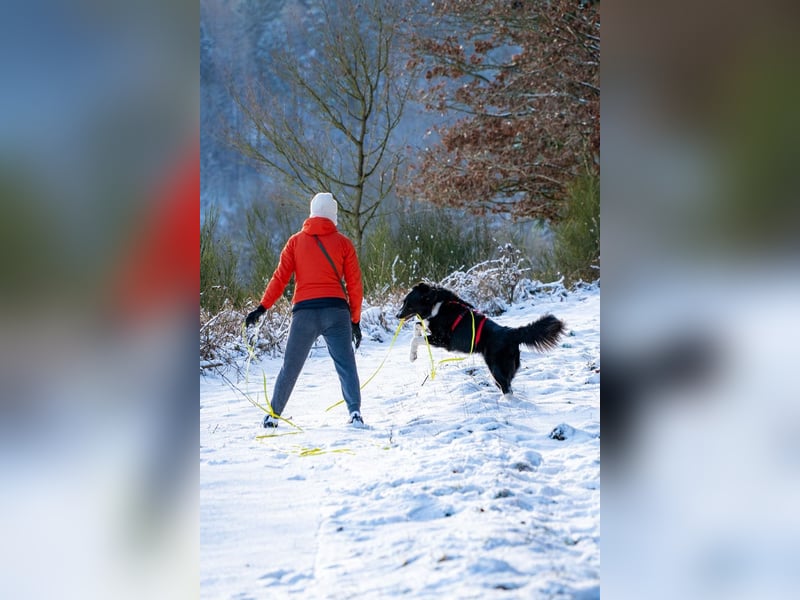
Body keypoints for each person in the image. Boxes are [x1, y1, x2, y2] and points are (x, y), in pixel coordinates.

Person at [245, 192, 364, 427]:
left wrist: (262, 307)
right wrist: (355, 320)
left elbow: (280, 278)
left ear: (311, 212)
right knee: (346, 364)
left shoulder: (295, 242)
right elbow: (354, 284)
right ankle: (355, 413)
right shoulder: (344, 244)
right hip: (336, 312)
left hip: (304, 314)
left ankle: (273, 415)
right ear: (333, 215)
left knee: (290, 365)